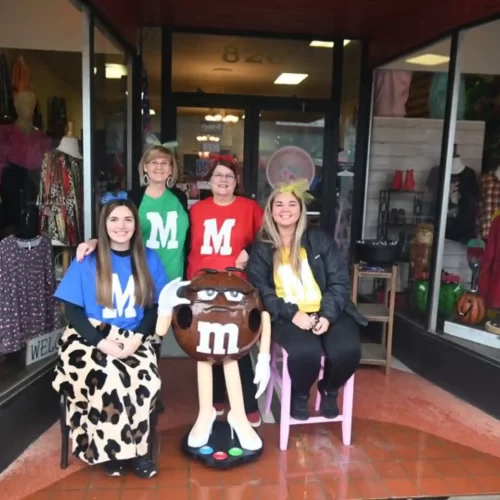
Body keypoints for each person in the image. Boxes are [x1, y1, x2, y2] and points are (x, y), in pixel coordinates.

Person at [53, 193, 177, 478]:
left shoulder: (149, 259)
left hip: (133, 334)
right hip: (88, 337)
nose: (121, 225)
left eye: (127, 219)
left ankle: (140, 451)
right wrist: (102, 342)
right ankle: (113, 449)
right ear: (103, 225)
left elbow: (154, 308)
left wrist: (137, 340)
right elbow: (71, 310)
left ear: (136, 224)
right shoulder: (87, 259)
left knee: (145, 378)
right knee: (109, 378)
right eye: (113, 219)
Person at [76, 141, 189, 410]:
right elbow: (115, 225)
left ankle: (147, 383)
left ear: (172, 169)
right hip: (139, 274)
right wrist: (93, 241)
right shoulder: (134, 196)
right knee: (141, 330)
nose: (159, 167)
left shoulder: (180, 198)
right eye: (154, 163)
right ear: (145, 168)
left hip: (171, 278)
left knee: (157, 334)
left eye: (165, 163)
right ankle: (135, 388)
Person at [247, 179, 367, 421]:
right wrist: (293, 314)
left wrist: (328, 315)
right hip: (286, 315)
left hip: (328, 310)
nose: (285, 209)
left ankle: (330, 388)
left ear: (301, 210)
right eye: (278, 204)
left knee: (348, 350)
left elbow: (339, 281)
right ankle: (300, 395)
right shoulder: (262, 247)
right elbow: (261, 290)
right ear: (270, 210)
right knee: (305, 353)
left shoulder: (319, 239)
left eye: (292, 204)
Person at [188, 155, 264, 426]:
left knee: (237, 345)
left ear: (236, 182)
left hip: (237, 287)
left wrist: (250, 251)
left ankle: (248, 403)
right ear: (209, 180)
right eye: (218, 175)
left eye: (229, 176)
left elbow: (267, 238)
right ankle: (216, 398)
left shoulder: (249, 207)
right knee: (208, 344)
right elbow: (187, 247)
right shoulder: (195, 210)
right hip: (202, 286)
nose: (223, 180)